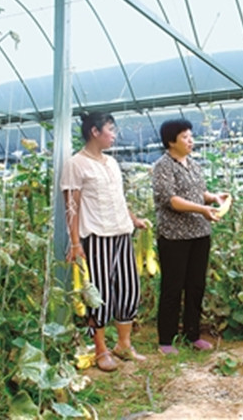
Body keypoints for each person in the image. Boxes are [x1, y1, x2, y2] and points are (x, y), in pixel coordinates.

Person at [61, 111, 149, 372]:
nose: (114, 134)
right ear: (94, 132)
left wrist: (133, 219)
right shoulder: (76, 164)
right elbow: (72, 206)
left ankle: (123, 345)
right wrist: (75, 243)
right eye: (110, 129)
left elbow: (118, 198)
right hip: (97, 237)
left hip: (122, 233)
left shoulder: (111, 162)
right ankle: (100, 350)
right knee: (101, 296)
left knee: (129, 290)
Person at [151, 118, 231, 355]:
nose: (190, 140)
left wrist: (213, 198)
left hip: (199, 233)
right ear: (170, 141)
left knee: (196, 285)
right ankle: (166, 339)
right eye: (185, 137)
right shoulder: (163, 166)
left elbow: (197, 192)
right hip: (175, 236)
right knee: (173, 287)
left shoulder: (193, 165)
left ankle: (192, 334)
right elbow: (172, 200)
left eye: (190, 136)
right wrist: (202, 209)